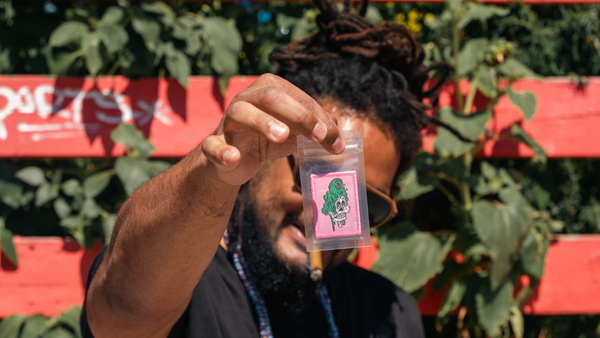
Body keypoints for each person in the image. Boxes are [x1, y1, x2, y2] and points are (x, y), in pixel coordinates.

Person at [81, 0, 460, 336]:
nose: (326, 212)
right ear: (266, 150)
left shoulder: (387, 315)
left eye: (367, 204)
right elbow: (122, 313)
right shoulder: (187, 279)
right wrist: (215, 171)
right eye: (319, 175)